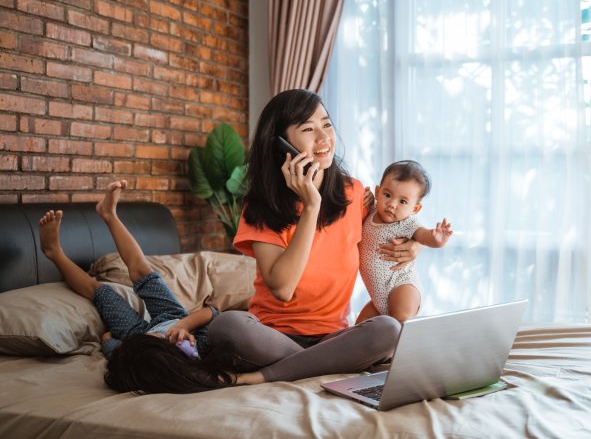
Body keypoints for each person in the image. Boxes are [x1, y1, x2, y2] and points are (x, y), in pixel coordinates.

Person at [207, 89, 422, 384]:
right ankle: (323, 364)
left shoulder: (355, 193)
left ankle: (268, 375)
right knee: (227, 327)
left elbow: (392, 229)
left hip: (334, 336)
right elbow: (282, 288)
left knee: (387, 329)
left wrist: (415, 245)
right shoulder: (260, 206)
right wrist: (311, 206)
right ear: (281, 143)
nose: (324, 139)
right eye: (308, 129)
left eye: (327, 124)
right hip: (272, 336)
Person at [38, 180, 257, 393]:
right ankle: (109, 215)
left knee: (100, 291)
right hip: (172, 316)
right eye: (161, 340)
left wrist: (111, 340)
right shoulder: (198, 348)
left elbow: (110, 343)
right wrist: (183, 325)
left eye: (156, 339)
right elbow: (212, 312)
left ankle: (53, 252)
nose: (159, 335)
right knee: (142, 271)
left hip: (135, 333)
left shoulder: (133, 355)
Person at [357, 160, 453, 324]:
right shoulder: (372, 210)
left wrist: (436, 239)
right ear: (378, 191)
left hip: (402, 286)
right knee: (357, 330)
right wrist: (367, 199)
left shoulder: (407, 223)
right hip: (377, 298)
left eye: (402, 201)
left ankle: (410, 349)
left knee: (400, 323)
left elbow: (423, 235)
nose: (392, 205)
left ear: (415, 209)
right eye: (387, 195)